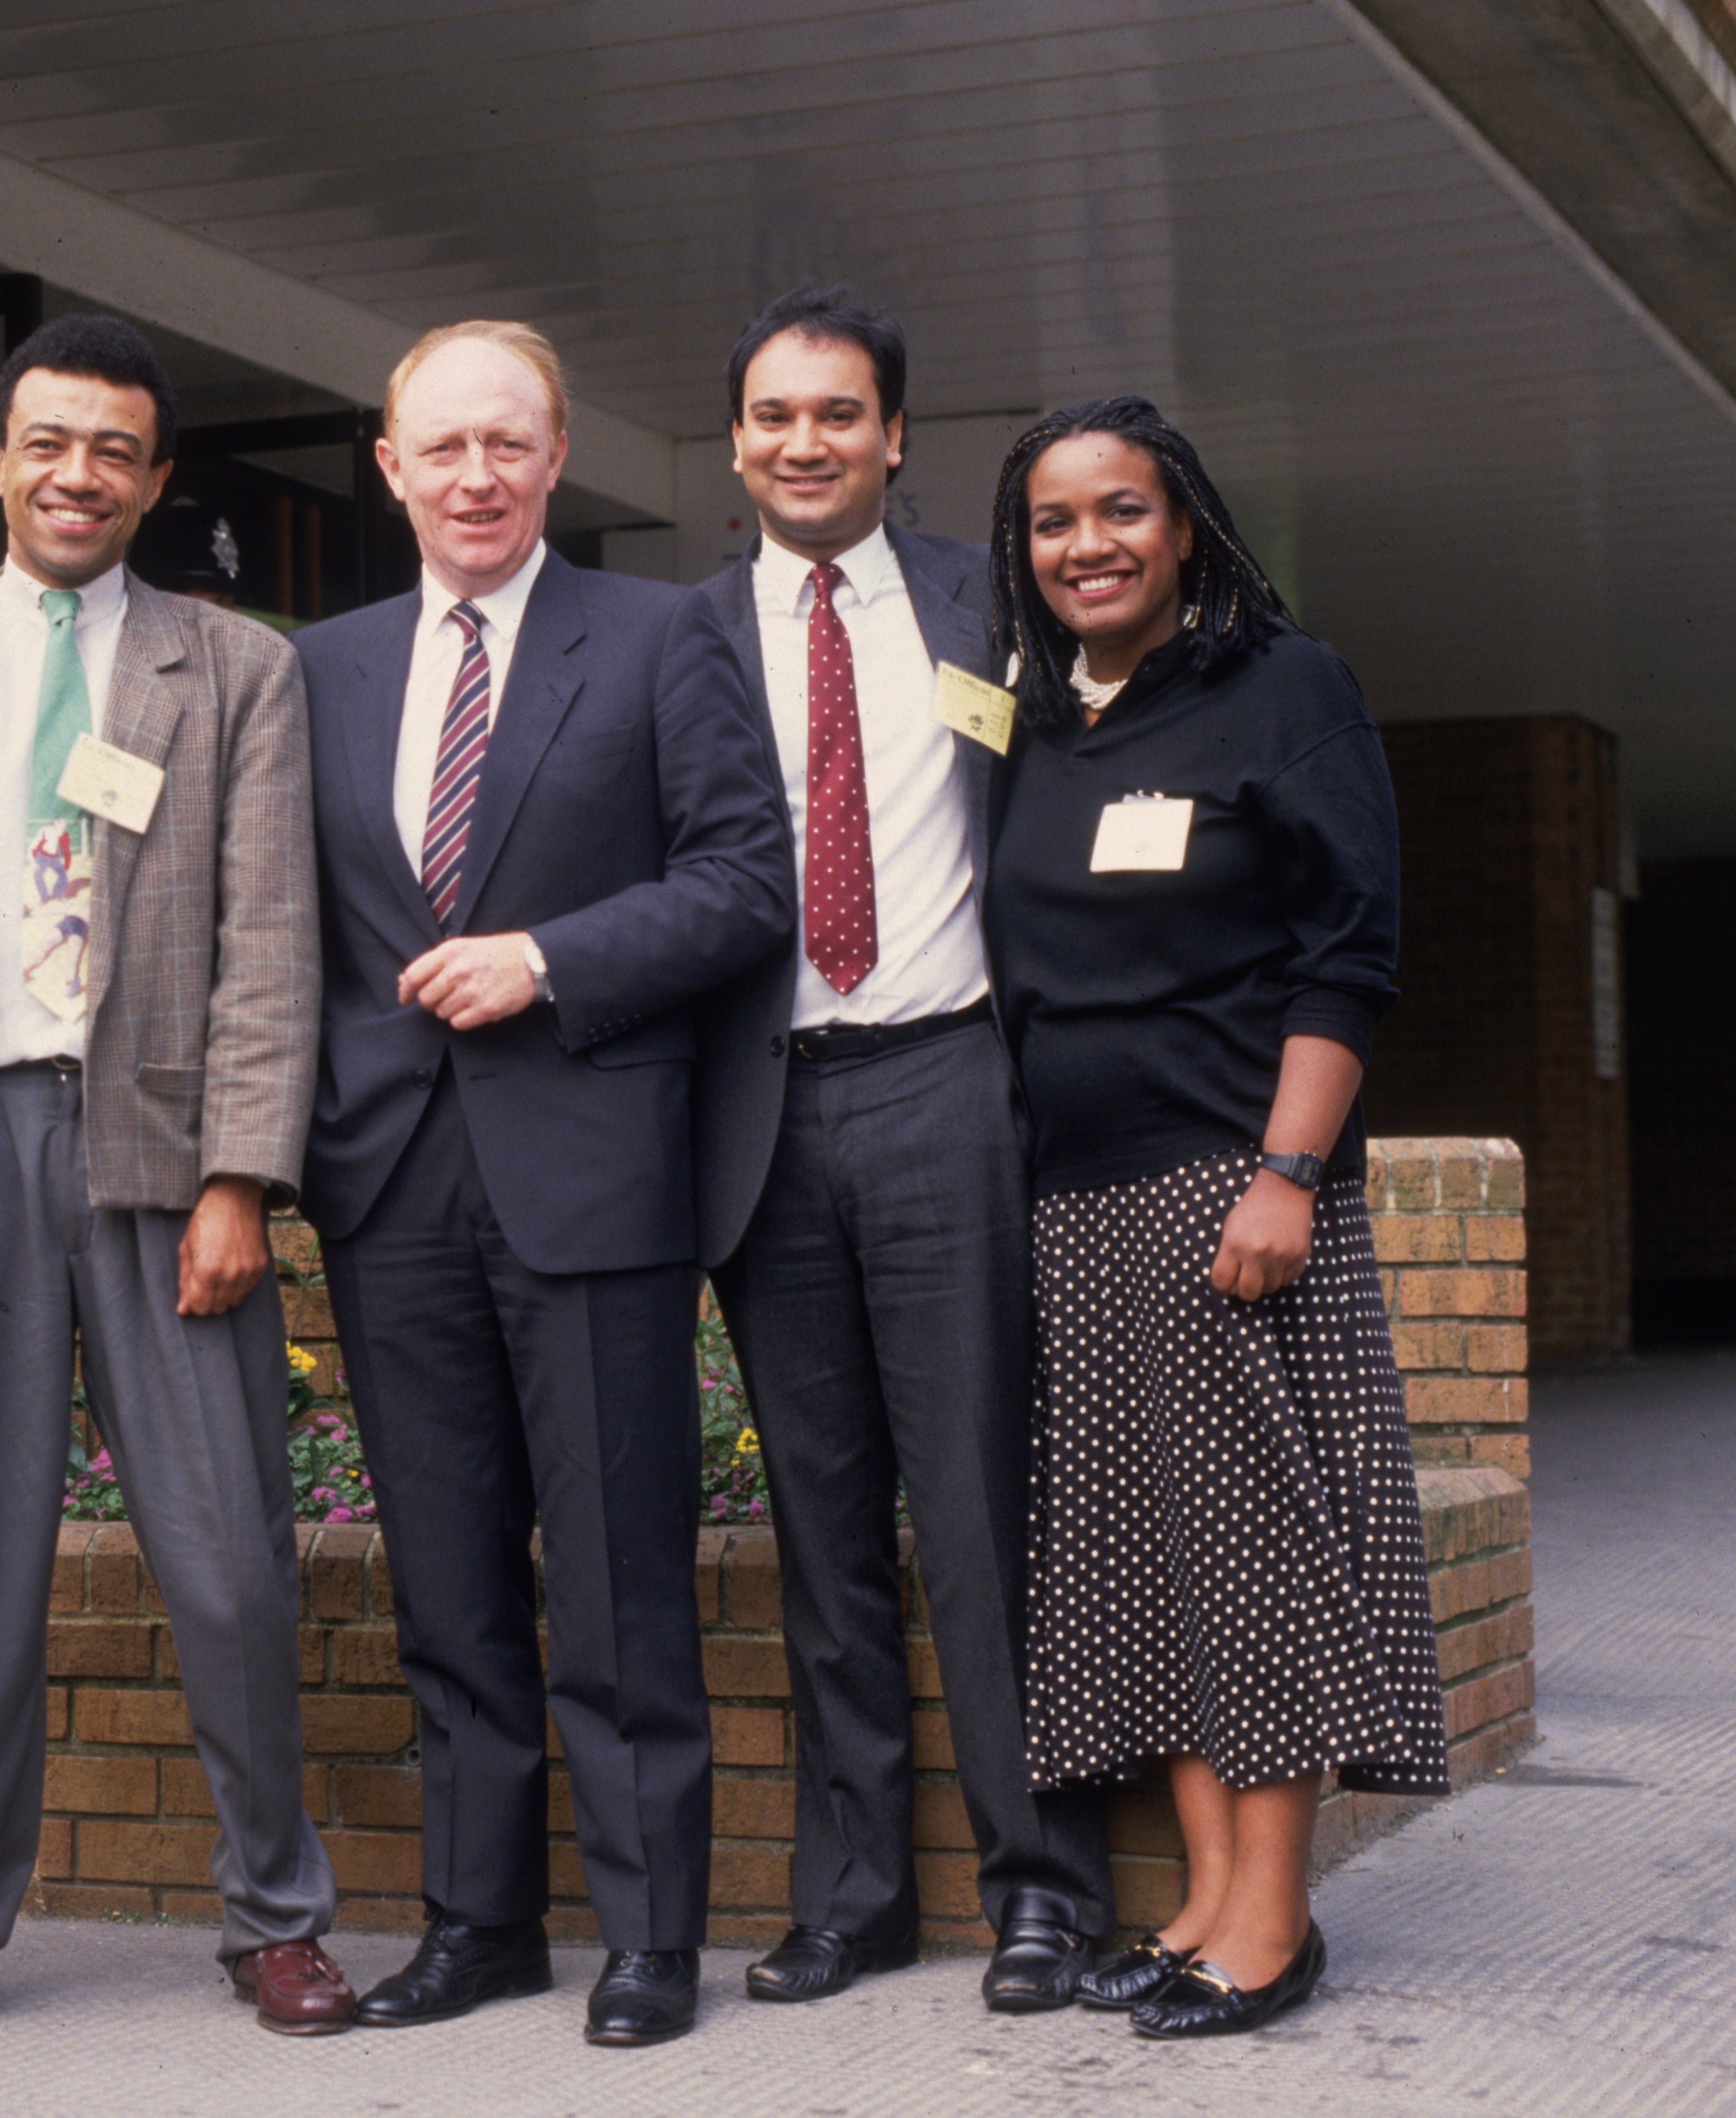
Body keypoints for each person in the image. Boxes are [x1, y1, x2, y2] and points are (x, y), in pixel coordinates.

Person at [0, 315, 352, 2052]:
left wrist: (242, 1175)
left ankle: (276, 1914)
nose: (76, 473)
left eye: (113, 448)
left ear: (157, 475)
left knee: (231, 1564)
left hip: (160, 1154)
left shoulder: (233, 668)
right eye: (47, 440)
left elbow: (271, 937)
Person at [298, 320, 794, 2049]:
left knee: (616, 1568)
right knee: (442, 1581)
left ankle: (650, 1930)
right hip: (389, 1183)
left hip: (590, 1170)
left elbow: (746, 882)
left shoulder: (660, 638)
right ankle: (478, 1919)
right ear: (390, 467)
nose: (475, 477)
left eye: (505, 444)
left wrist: (545, 958)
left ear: (557, 450)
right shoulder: (326, 668)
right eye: (441, 448)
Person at [978, 397, 1448, 2039]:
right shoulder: (1040, 729)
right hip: (1074, 1206)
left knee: (1246, 1566)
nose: (1085, 545)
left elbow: (1346, 949)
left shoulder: (1284, 687)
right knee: (1147, 1570)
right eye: (1051, 521)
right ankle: (1197, 1899)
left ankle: (1273, 1922)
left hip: (1222, 1197)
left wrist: (1284, 1175)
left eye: (1118, 511)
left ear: (1182, 524)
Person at [691, 286, 1113, 2013]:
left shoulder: (985, 600)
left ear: (892, 439)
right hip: (761, 1108)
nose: (807, 442)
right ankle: (855, 1891)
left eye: (839, 414)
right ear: (735, 444)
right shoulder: (680, 633)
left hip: (949, 1085)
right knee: (821, 1523)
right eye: (777, 415)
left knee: (982, 1507)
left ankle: (1043, 1889)